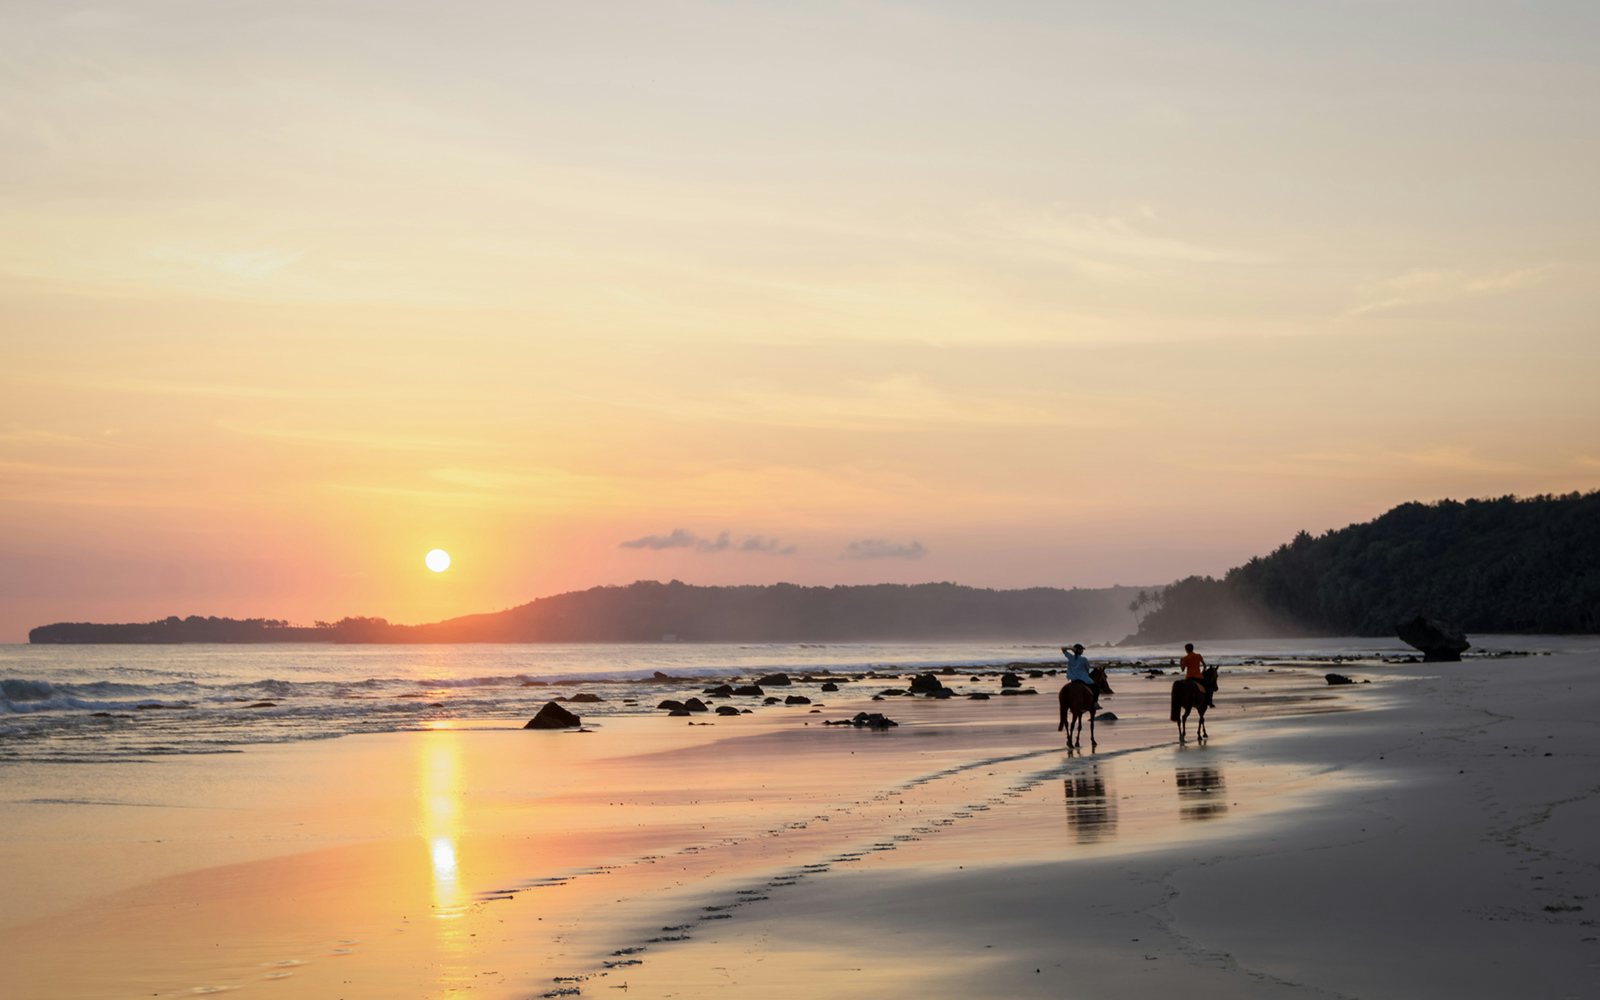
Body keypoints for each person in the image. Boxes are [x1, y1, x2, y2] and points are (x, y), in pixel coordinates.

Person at [1062, 642, 1100, 710]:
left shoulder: (1070, 657)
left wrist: (1071, 649)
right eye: (1081, 649)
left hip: (1073, 680)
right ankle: (1095, 703)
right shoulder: (1084, 659)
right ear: (1079, 651)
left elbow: (1063, 649)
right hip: (1083, 679)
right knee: (1096, 687)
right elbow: (1087, 668)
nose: (1082, 651)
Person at [1180, 642, 1211, 707]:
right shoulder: (1198, 656)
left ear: (1186, 650)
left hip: (1189, 677)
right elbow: (1205, 666)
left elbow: (1182, 669)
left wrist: (1181, 662)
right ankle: (1209, 701)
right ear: (1192, 648)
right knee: (1208, 687)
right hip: (1198, 677)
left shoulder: (1185, 658)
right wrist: (1202, 672)